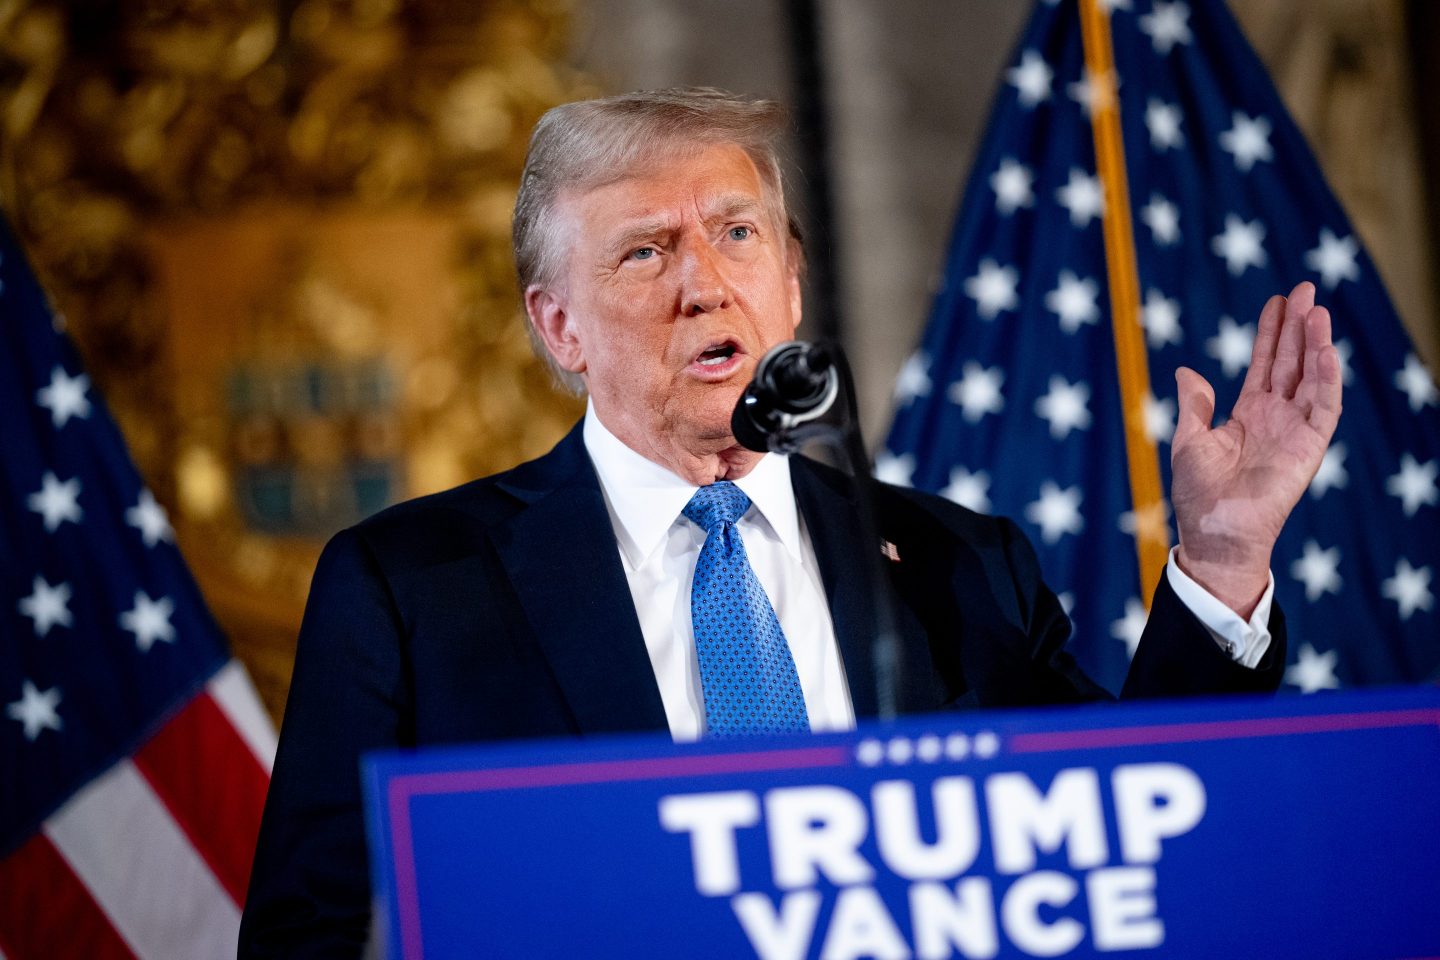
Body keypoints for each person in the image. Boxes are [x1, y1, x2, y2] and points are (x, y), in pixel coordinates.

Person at [238, 88, 1342, 955]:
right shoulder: (413, 586)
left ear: (794, 284)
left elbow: (1131, 830)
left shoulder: (957, 565)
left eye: (736, 233)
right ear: (559, 325)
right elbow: (313, 938)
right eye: (646, 250)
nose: (706, 284)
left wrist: (1225, 560)